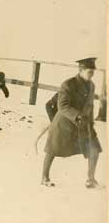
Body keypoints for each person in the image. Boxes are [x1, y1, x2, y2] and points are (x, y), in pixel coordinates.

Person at [42, 58, 103, 188]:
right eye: (89, 72)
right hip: (64, 124)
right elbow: (63, 106)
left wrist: (90, 123)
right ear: (80, 70)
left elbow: (90, 106)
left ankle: (91, 180)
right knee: (53, 149)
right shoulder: (68, 84)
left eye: (93, 72)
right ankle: (44, 177)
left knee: (95, 149)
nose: (92, 75)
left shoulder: (91, 86)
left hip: (84, 124)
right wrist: (78, 116)